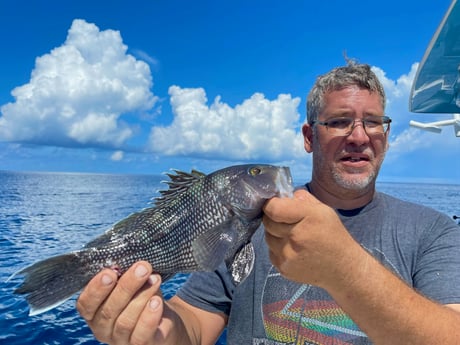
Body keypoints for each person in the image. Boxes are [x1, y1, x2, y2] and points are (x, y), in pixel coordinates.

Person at [76, 62, 460, 344]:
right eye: (340, 122)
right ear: (309, 137)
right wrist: (150, 330)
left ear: (387, 135)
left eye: (373, 122)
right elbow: (191, 324)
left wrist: (343, 268)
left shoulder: (433, 230)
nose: (359, 136)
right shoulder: (246, 224)